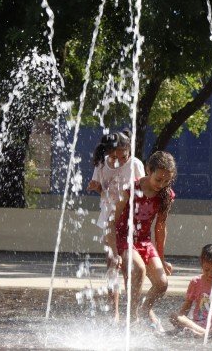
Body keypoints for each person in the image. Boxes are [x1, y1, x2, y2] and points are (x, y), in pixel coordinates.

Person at [107, 150, 176, 330]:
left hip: (144, 241)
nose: (161, 184)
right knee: (138, 268)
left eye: (166, 181)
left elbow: (160, 228)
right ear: (148, 170)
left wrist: (161, 258)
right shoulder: (130, 190)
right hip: (124, 238)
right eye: (158, 179)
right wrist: (114, 253)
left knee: (162, 283)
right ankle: (132, 317)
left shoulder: (165, 196)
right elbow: (111, 222)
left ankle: (145, 309)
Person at [86, 130, 145, 321]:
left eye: (123, 156)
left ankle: (131, 309)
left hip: (129, 219)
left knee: (129, 264)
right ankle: (115, 312)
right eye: (114, 156)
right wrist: (96, 187)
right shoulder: (101, 164)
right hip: (109, 217)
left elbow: (143, 190)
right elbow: (101, 188)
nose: (119, 160)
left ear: (129, 152)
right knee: (113, 263)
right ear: (107, 152)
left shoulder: (135, 164)